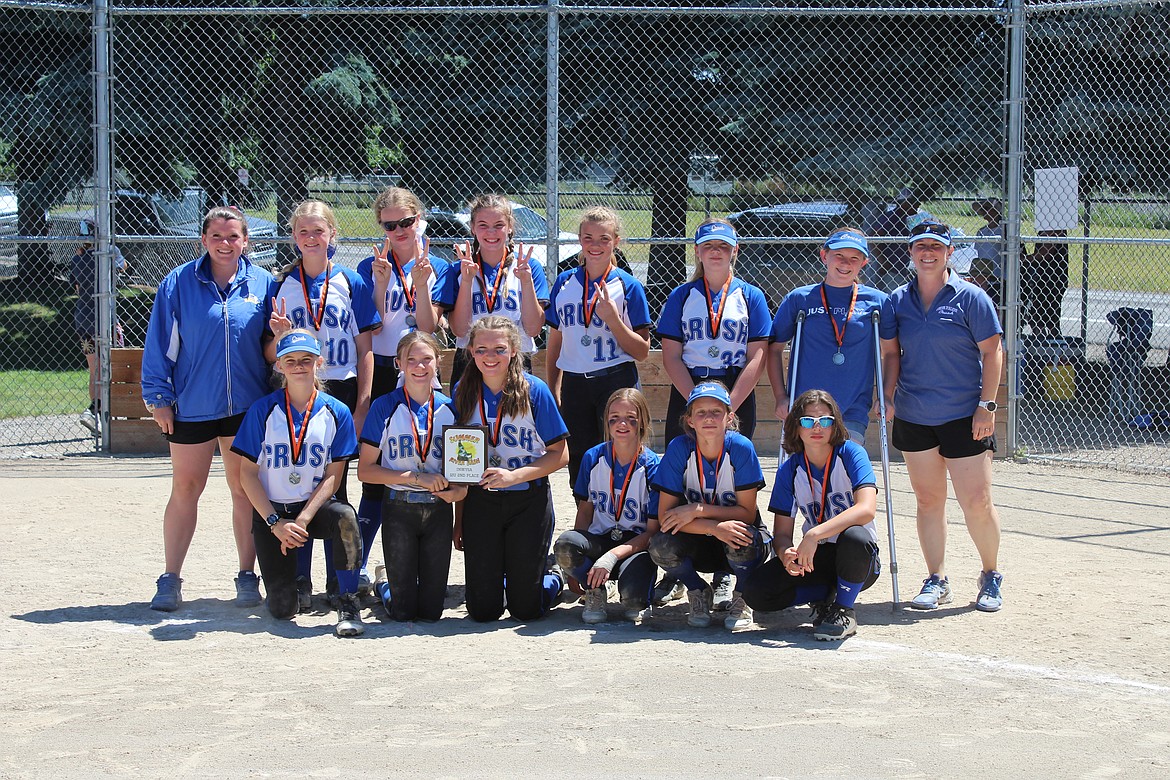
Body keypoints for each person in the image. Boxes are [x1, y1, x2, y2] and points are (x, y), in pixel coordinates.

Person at [142, 206, 276, 612]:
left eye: (233, 236)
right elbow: (160, 344)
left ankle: (246, 575)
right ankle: (170, 578)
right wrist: (159, 398)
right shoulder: (178, 283)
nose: (225, 243)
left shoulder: (263, 283)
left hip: (245, 407)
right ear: (203, 240)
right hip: (192, 406)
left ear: (246, 240)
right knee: (186, 488)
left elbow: (269, 346)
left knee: (243, 490)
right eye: (216, 236)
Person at [267, 200, 381, 608]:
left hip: (341, 388)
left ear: (333, 234)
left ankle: (341, 578)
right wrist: (279, 336)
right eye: (303, 232)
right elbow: (269, 352)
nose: (312, 238)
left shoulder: (350, 281)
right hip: (298, 386)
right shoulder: (282, 283)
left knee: (337, 482)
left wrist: (364, 401)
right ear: (294, 237)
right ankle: (299, 579)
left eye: (319, 231)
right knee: (297, 474)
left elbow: (365, 348)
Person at [890, 221, 1005, 613]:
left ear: (949, 252)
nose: (928, 253)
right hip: (915, 413)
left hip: (964, 415)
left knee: (976, 500)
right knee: (928, 499)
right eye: (920, 246)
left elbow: (993, 352)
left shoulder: (971, 297)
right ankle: (936, 578)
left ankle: (990, 575)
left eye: (936, 247)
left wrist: (986, 406)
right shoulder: (898, 301)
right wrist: (887, 398)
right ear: (910, 252)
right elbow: (890, 355)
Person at [231, 330, 365, 636]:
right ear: (279, 366)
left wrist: (303, 519)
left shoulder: (336, 411)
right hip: (273, 512)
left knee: (345, 517)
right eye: (290, 360)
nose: (299, 366)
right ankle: (295, 585)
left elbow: (334, 476)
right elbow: (247, 475)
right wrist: (276, 522)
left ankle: (347, 601)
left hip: (311, 510)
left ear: (319, 362)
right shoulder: (262, 410)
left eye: (306, 359)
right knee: (282, 609)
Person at [354, 186, 451, 601]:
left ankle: (426, 561)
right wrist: (379, 283)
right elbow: (373, 326)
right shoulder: (369, 264)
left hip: (420, 366)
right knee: (374, 479)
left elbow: (428, 325)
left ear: (418, 220)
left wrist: (421, 283)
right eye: (389, 224)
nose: (398, 230)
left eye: (405, 223)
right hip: (383, 368)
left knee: (430, 462)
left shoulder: (437, 263)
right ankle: (356, 566)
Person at [452, 316, 569, 622]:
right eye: (481, 349)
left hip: (527, 499)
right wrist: (459, 520)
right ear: (471, 352)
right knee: (483, 611)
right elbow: (460, 467)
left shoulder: (535, 390)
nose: (490, 357)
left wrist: (513, 476)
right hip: (481, 501)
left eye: (499, 349)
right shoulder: (462, 392)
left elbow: (560, 454)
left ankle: (552, 576)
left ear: (515, 350)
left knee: (525, 610)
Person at [741, 389, 881, 641]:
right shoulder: (790, 469)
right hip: (816, 555)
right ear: (796, 427)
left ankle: (844, 609)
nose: (817, 427)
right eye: (807, 421)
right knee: (756, 592)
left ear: (835, 424)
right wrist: (786, 556)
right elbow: (782, 534)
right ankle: (823, 598)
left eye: (825, 420)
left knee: (856, 536)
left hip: (857, 557)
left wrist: (815, 534)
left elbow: (866, 509)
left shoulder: (851, 453)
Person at [357, 331, 466, 622]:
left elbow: (463, 474)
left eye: (426, 359)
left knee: (432, 612)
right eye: (412, 360)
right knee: (403, 613)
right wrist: (416, 479)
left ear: (438, 361)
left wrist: (459, 499)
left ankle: (393, 581)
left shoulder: (452, 409)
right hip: (398, 507)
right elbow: (364, 470)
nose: (420, 367)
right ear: (399, 364)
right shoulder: (385, 406)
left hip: (439, 510)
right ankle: (384, 584)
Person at [545, 206, 651, 490]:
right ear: (579, 239)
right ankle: (584, 522)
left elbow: (642, 351)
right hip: (575, 383)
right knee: (579, 457)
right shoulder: (564, 282)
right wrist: (553, 386)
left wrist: (613, 320)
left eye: (604, 239)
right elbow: (555, 341)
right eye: (588, 238)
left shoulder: (628, 286)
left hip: (615, 380)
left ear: (616, 241)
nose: (595, 245)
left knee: (620, 451)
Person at [648, 381, 769, 631]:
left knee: (741, 534)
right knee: (660, 544)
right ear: (690, 420)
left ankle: (742, 596)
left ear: (729, 417)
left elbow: (746, 513)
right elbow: (665, 517)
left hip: (735, 533)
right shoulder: (679, 448)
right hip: (699, 536)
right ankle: (697, 590)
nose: (709, 418)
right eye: (700, 412)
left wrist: (697, 509)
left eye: (716, 412)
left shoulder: (741, 448)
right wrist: (714, 528)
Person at [768, 228, 897, 446]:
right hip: (806, 407)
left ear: (864, 262)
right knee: (808, 471)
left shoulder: (878, 302)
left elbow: (892, 353)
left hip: (853, 407)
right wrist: (781, 396)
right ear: (824, 256)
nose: (846, 264)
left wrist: (887, 396)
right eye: (839, 256)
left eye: (854, 258)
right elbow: (774, 349)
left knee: (844, 470)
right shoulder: (799, 299)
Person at [657, 219, 770, 444]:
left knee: (733, 466)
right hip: (690, 385)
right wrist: (694, 402)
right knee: (683, 464)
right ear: (697, 250)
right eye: (708, 245)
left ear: (735, 250)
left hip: (735, 387)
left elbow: (757, 357)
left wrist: (729, 407)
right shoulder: (681, 296)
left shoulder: (752, 296)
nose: (716, 251)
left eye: (723, 245)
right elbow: (671, 356)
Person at [553, 388, 661, 624]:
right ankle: (595, 591)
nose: (622, 424)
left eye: (630, 418)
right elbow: (585, 511)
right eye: (614, 418)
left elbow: (653, 532)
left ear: (642, 421)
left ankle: (634, 588)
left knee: (634, 604)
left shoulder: (653, 466)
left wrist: (612, 557)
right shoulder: (593, 458)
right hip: (599, 540)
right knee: (565, 545)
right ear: (606, 421)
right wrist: (573, 570)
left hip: (635, 545)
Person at [446, 194, 550, 387]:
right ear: (473, 228)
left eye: (499, 225)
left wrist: (526, 282)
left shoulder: (528, 266)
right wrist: (467, 281)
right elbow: (459, 330)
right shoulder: (459, 270)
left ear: (510, 227)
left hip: (515, 358)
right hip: (470, 361)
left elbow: (534, 329)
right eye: (483, 225)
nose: (491, 232)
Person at [71, 218, 126, 437]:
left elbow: (76, 286)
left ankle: (96, 412)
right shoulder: (110, 251)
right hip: (106, 319)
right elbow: (123, 267)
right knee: (113, 365)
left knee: (94, 368)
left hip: (84, 319)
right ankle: (101, 412)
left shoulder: (78, 258)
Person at [870, 188, 921, 293]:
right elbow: (874, 236)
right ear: (905, 203)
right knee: (894, 296)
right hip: (893, 269)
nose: (917, 205)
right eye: (914, 202)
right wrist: (883, 261)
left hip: (908, 267)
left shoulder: (912, 219)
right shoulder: (891, 217)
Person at [1022, 230, 1069, 339]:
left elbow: (1044, 253)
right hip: (1043, 278)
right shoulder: (1047, 226)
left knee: (1049, 320)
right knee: (1038, 317)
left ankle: (1050, 346)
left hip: (1052, 279)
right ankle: (1042, 345)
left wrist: (1025, 259)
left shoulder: (1055, 229)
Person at [969, 198, 1004, 308]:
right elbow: (979, 253)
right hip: (983, 275)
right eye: (983, 209)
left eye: (987, 209)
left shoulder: (1003, 230)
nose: (984, 212)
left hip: (1000, 275)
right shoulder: (982, 231)